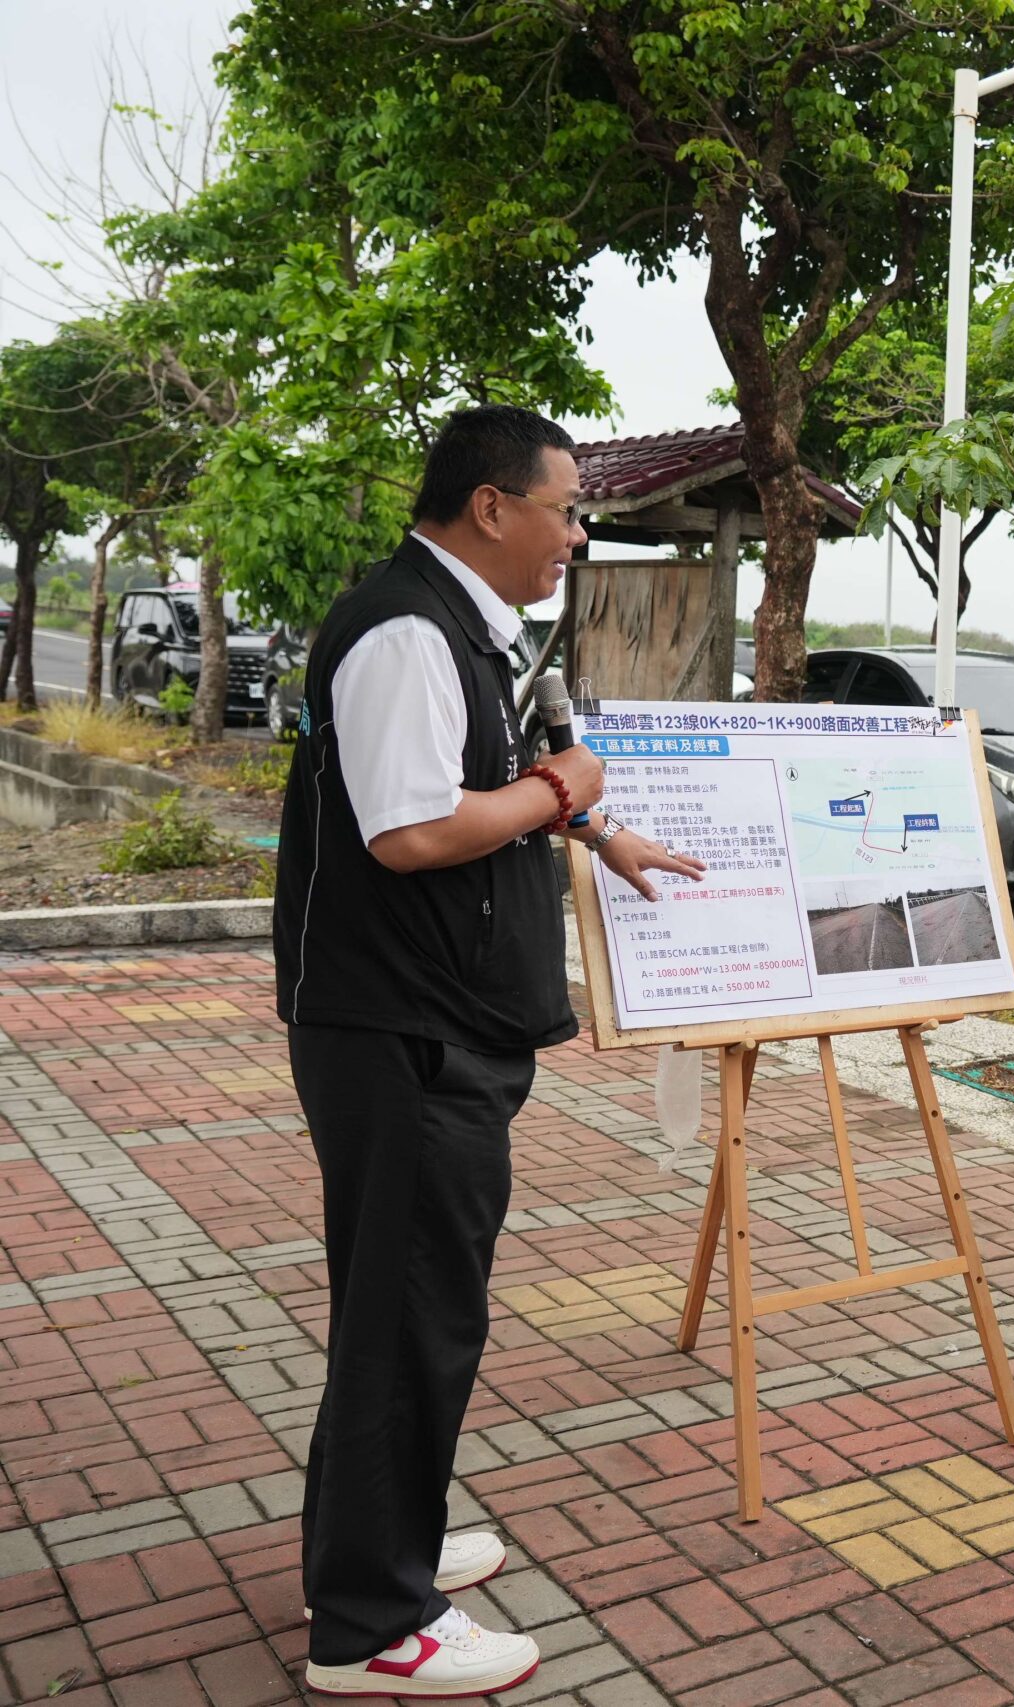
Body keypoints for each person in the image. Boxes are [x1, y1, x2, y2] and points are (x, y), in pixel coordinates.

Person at [276, 405, 702, 1698]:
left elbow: (494, 772)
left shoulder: (462, 625)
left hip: (430, 1022)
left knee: (400, 1312)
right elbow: (411, 828)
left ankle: (373, 1545)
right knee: (413, 1316)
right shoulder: (410, 627)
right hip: (403, 1032)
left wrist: (596, 826)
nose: (579, 532)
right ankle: (369, 1623)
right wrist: (565, 790)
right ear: (489, 506)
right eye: (567, 507)